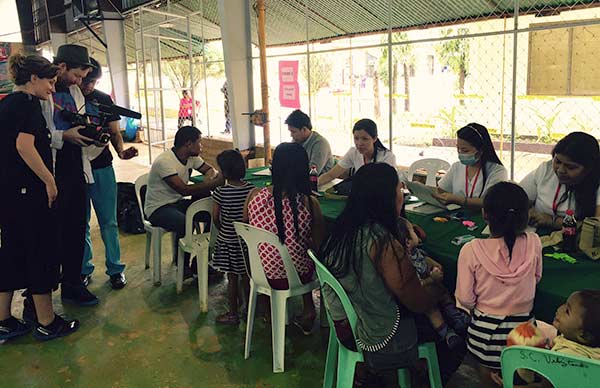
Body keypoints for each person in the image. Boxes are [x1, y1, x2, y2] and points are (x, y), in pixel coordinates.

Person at [320, 162, 461, 384]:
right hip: (378, 335)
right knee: (456, 328)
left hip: (346, 325)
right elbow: (417, 302)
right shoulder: (381, 242)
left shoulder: (342, 229)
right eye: (399, 189)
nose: (402, 195)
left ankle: (404, 369)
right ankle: (425, 377)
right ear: (386, 197)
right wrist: (437, 287)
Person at [0, 54, 79, 341]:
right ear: (33, 78)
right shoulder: (28, 104)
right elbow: (24, 146)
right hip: (28, 194)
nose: (51, 87)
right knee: (40, 251)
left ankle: (4, 320)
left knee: (11, 251)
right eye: (49, 80)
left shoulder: (7, 103)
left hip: (9, 194)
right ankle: (47, 321)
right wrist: (49, 180)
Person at [455, 181, 543, 388]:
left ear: (485, 214)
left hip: (485, 335)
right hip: (526, 333)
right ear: (527, 215)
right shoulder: (534, 242)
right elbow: (537, 278)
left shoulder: (471, 249)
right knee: (520, 381)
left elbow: (466, 300)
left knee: (489, 382)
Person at [37, 44, 98, 309]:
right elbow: (39, 135)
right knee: (53, 234)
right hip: (52, 171)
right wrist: (66, 136)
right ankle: (41, 296)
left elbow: (79, 122)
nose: (79, 82)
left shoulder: (75, 92)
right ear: (61, 67)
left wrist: (91, 134)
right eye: (76, 75)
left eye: (83, 78)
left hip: (76, 169)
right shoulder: (41, 94)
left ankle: (73, 284)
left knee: (76, 229)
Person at [244, 142, 325, 334]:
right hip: (296, 276)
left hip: (259, 273)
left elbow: (246, 230)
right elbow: (320, 244)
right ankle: (308, 309)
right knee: (306, 254)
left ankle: (268, 309)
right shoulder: (308, 202)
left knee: (269, 252)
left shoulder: (254, 195)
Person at [79, 57, 138, 290]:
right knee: (80, 221)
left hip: (102, 166)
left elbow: (114, 132)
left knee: (109, 221)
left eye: (94, 82)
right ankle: (84, 269)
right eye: (86, 81)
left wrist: (122, 152)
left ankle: (115, 269)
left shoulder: (103, 99)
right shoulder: (65, 98)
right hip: (75, 170)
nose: (89, 86)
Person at [144, 126, 224, 276]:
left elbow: (209, 170)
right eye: (199, 143)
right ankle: (183, 265)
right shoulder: (165, 161)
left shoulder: (191, 158)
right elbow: (183, 190)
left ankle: (201, 258)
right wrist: (213, 183)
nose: (201, 146)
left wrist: (211, 177)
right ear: (188, 143)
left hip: (177, 203)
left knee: (213, 212)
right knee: (184, 222)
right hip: (158, 208)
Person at [403, 219, 470, 349]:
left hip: (435, 289)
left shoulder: (416, 253)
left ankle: (456, 318)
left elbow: (425, 259)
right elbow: (416, 283)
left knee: (445, 295)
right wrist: (432, 279)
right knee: (433, 311)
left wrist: (434, 265)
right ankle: (446, 333)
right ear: (408, 241)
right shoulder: (406, 262)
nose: (416, 232)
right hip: (421, 297)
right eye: (413, 231)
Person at [210, 150, 255, 325]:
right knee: (247, 276)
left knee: (232, 279)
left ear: (224, 172)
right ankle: (249, 310)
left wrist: (223, 230)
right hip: (246, 242)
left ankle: (233, 313)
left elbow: (215, 217)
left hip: (228, 242)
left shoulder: (221, 192)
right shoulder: (251, 189)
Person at [519, 132, 600, 229]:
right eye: (557, 161)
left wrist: (553, 221)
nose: (560, 170)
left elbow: (596, 227)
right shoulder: (545, 170)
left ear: (589, 169)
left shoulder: (597, 183)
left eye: (570, 167)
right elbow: (517, 200)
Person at [433, 123, 507, 208]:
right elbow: (441, 191)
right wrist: (423, 190)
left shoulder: (497, 171)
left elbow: (491, 202)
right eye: (458, 149)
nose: (460, 153)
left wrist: (458, 200)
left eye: (465, 150)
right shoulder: (456, 167)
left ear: (480, 150)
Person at [318, 118, 396, 187]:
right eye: (356, 138)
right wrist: (313, 184)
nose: (359, 143)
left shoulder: (387, 157)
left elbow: (388, 185)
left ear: (374, 138)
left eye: (365, 139)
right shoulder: (353, 152)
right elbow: (331, 175)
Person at [285, 109, 334, 175]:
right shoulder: (297, 140)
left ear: (304, 129)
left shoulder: (320, 144)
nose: (291, 135)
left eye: (293, 132)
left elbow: (313, 172)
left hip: (321, 182)